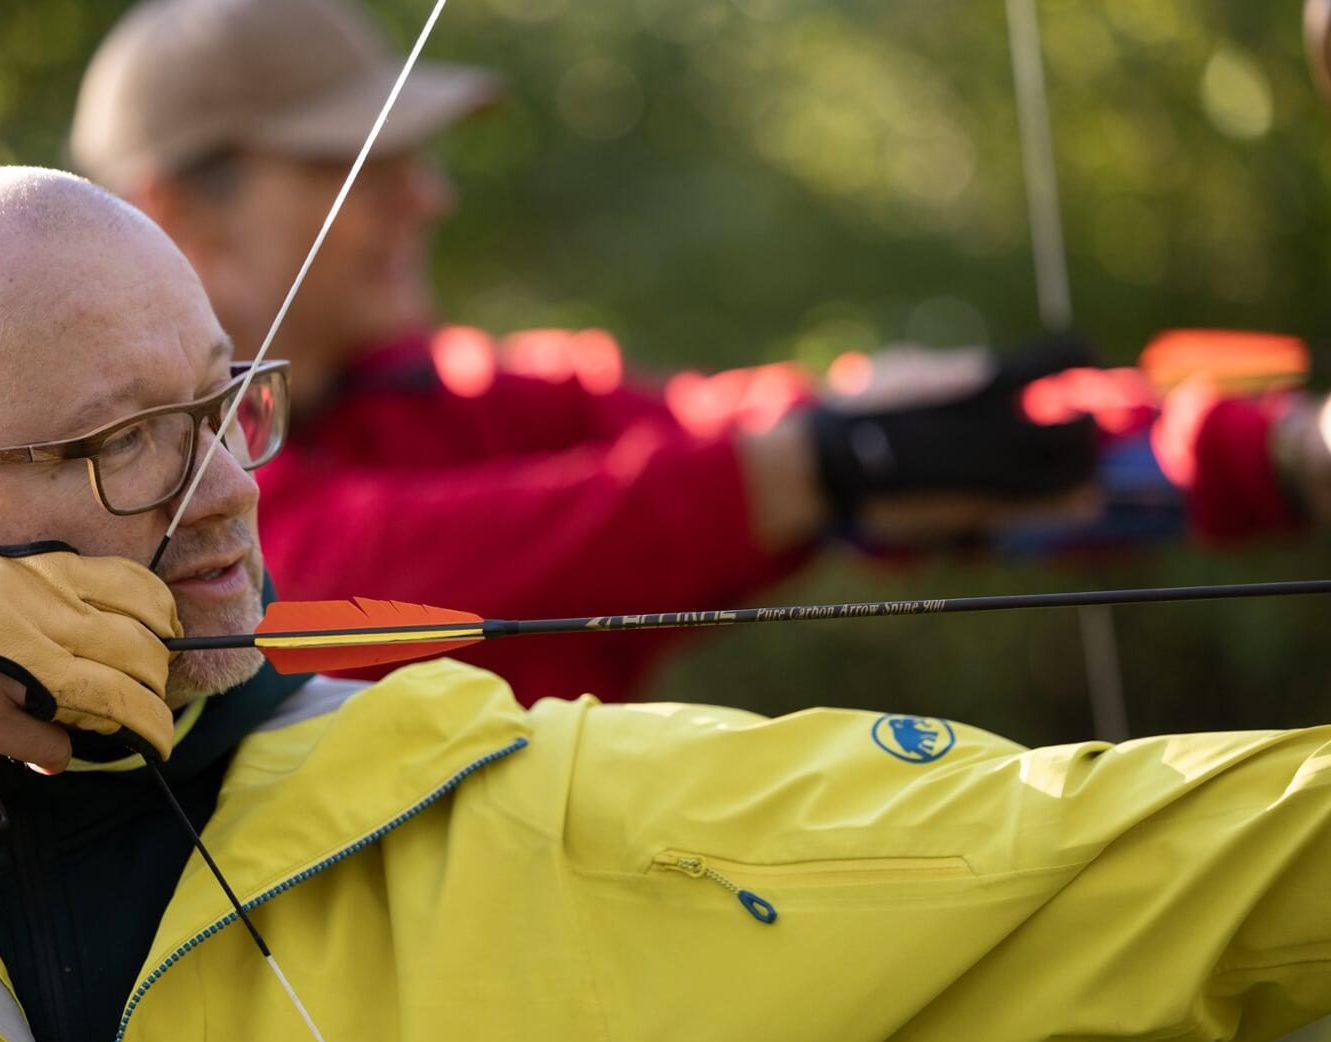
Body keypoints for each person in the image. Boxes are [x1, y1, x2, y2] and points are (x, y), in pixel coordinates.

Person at [0, 164, 1331, 1042]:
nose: (224, 488)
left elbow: (1136, 852)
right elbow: (632, 499)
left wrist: (1250, 450)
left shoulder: (534, 818)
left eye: (227, 399)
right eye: (119, 443)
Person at [68, 0, 1131, 703]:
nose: (427, 194)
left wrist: (1271, 449)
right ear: (181, 214)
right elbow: (308, 586)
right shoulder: (111, 487)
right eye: (354, 164)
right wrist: (816, 467)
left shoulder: (450, 396)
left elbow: (723, 430)